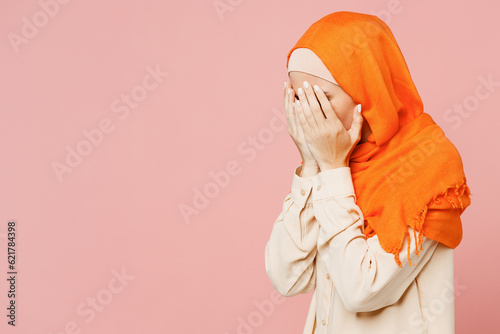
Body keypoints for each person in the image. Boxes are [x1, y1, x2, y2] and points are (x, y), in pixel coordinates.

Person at [264, 11, 472, 334]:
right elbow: (287, 278)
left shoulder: (432, 164)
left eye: (322, 97)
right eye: (298, 96)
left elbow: (361, 289)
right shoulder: (337, 159)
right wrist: (311, 166)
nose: (308, 111)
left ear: (366, 89)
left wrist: (332, 170)